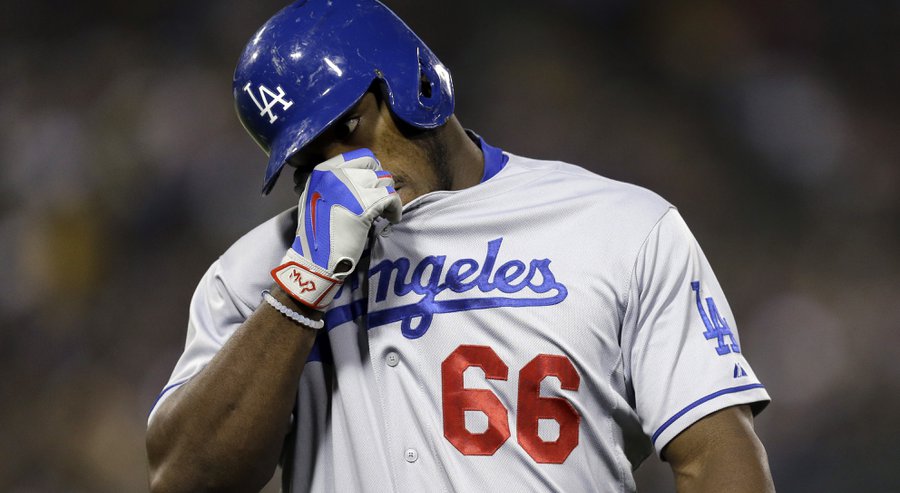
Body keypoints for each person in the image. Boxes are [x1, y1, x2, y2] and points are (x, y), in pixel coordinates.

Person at [145, 0, 775, 491]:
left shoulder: (620, 226)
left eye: (346, 129)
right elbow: (184, 479)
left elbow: (713, 453)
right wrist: (301, 286)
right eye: (308, 160)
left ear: (414, 85)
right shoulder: (256, 274)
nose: (337, 169)